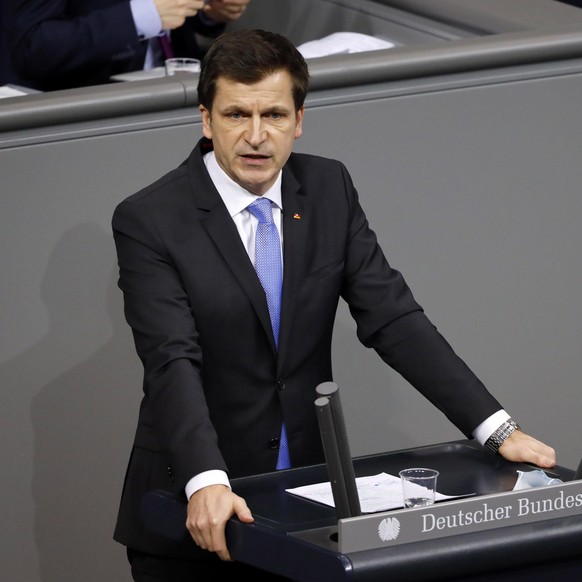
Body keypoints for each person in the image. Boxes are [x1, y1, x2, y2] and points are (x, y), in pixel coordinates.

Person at [111, 28, 557, 580]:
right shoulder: (151, 219)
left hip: (301, 504)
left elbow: (393, 317)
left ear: (299, 121)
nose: (255, 136)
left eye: (273, 115)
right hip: (195, 510)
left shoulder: (327, 187)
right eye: (236, 115)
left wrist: (496, 429)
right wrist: (206, 480)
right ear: (206, 120)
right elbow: (171, 360)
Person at [3, 0, 250, 92]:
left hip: (181, 94)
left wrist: (210, 13)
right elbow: (32, 46)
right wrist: (139, 18)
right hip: (91, 112)